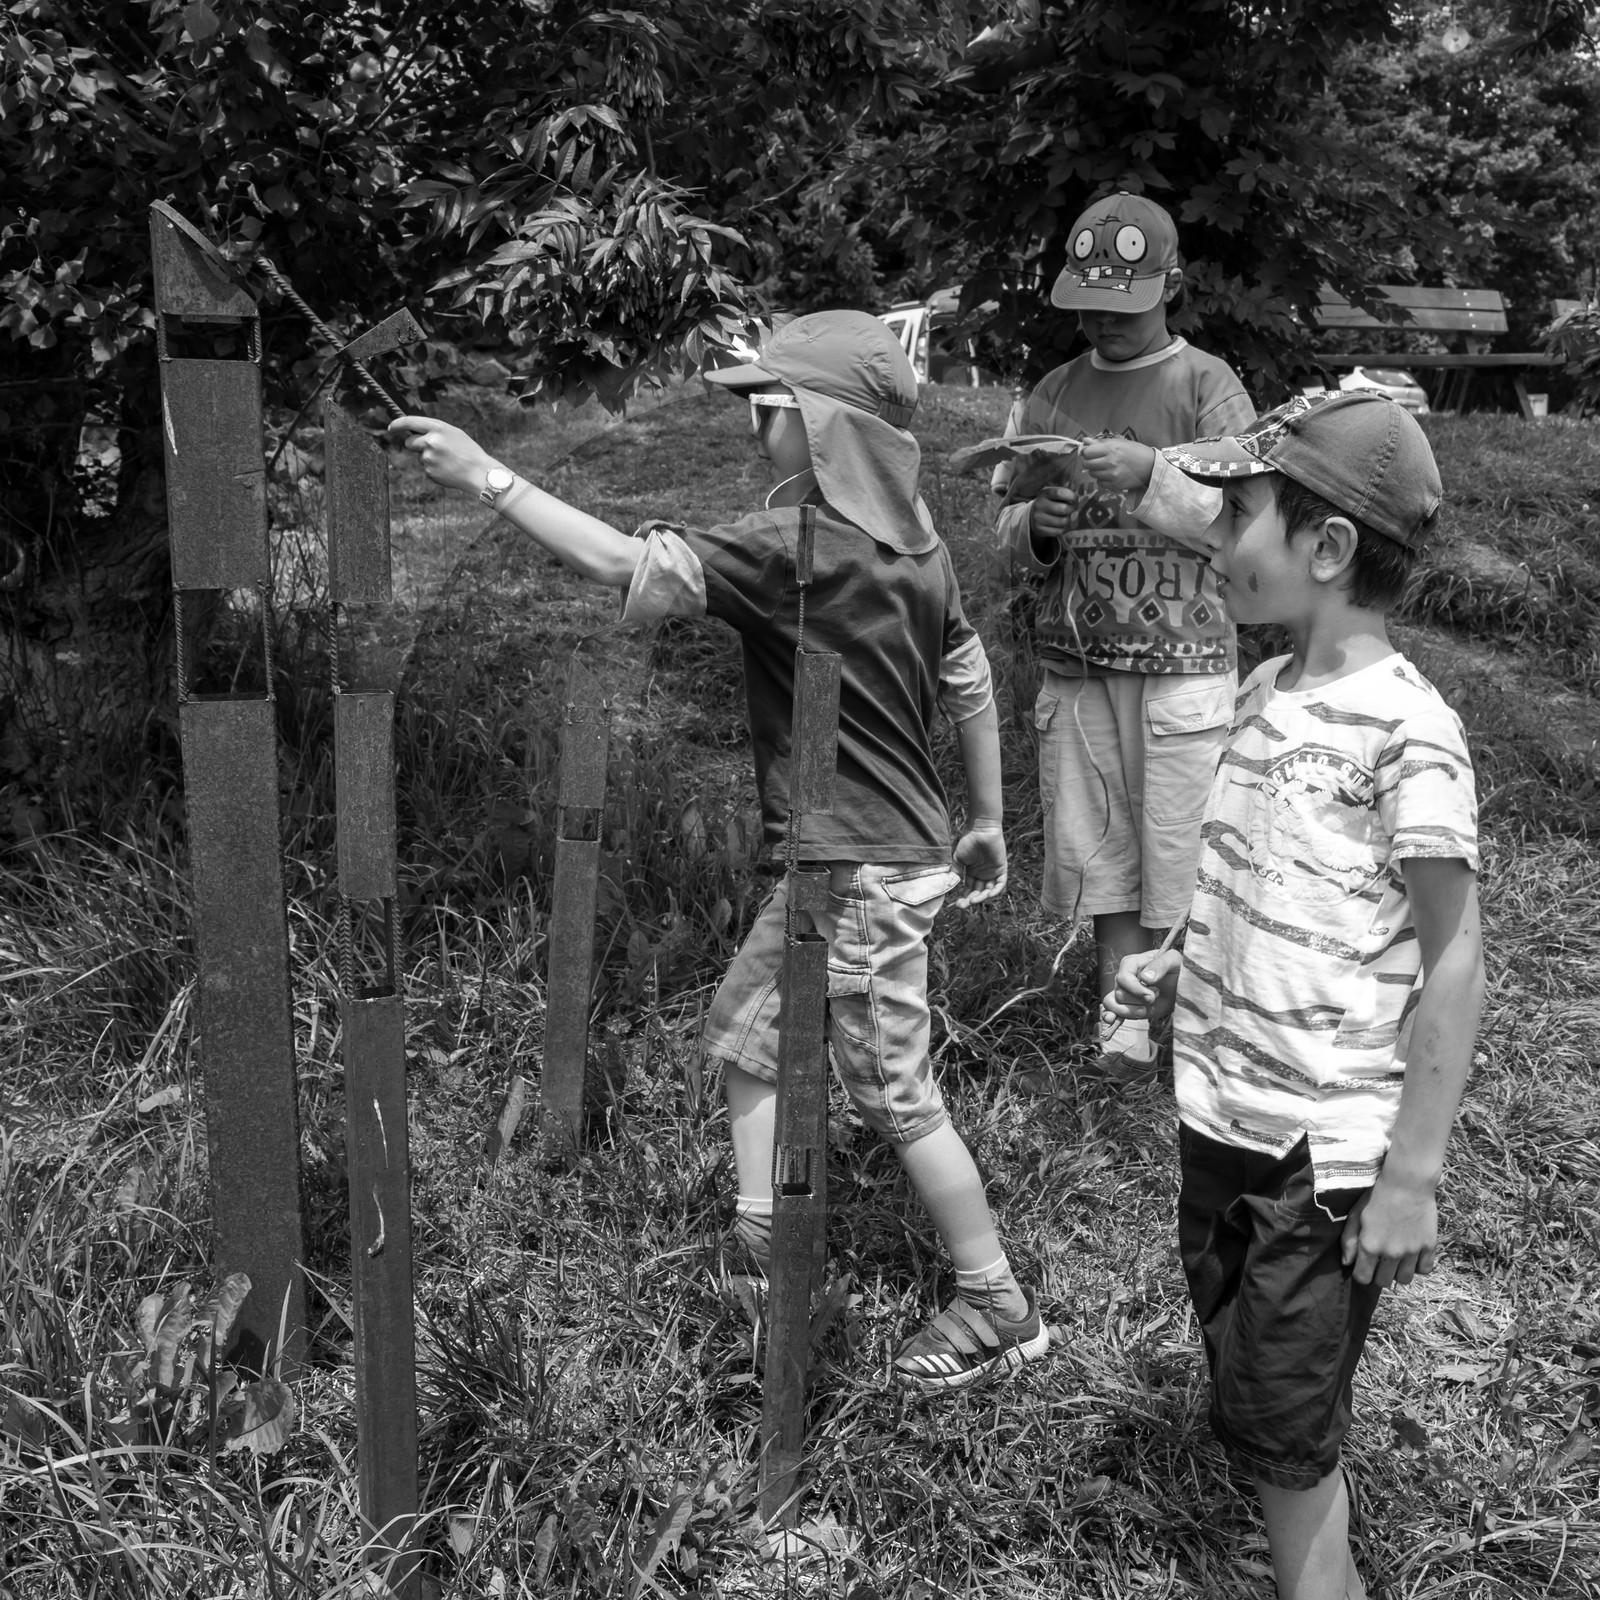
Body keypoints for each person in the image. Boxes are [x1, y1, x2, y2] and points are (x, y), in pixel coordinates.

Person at [389, 311, 1048, 1389]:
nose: (753, 428)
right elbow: (966, 671)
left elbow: (621, 563)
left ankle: (996, 1301)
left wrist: (485, 476)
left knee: (893, 1092)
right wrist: (985, 818)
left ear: (820, 427)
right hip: (871, 851)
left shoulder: (795, 551)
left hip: (861, 869)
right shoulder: (918, 544)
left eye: (765, 409)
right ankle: (761, 1244)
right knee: (748, 1031)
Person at [1106, 392, 1485, 1600]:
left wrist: (1411, 1174)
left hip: (1317, 1157)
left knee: (1281, 1433)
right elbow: (1257, 871)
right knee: (1264, 1396)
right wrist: (1180, 956)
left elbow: (1455, 957)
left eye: (1237, 518)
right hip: (1222, 1114)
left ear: (1325, 547)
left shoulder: (1408, 733)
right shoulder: (1264, 688)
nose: (1215, 541)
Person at [993, 191, 1256, 1079]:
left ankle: (1193, 1018)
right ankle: (1123, 1022)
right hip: (1077, 666)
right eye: (1090, 306)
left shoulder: (1208, 387)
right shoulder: (1054, 392)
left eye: (1125, 305)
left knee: (1180, 841)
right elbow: (1005, 519)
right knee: (1099, 843)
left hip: (1183, 664)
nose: (1104, 320)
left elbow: (1242, 520)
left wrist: (1152, 473)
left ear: (1171, 287)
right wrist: (1036, 526)